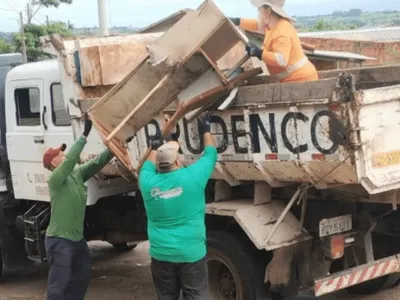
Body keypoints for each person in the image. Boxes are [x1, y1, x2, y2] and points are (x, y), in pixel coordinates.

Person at [138, 113, 217, 300]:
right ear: (177, 161)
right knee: (196, 295)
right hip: (191, 255)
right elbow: (211, 154)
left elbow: (146, 166)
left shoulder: (147, 183)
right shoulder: (192, 178)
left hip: (161, 255)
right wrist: (205, 129)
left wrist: (155, 146)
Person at [43, 117, 114, 300]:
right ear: (54, 163)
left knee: (82, 276)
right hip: (59, 241)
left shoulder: (76, 173)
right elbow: (70, 161)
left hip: (76, 239)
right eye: (59, 154)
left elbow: (97, 162)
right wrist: (84, 135)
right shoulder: (56, 180)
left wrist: (114, 147)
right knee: (59, 284)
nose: (63, 155)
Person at [230, 0, 318, 83]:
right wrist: (236, 21)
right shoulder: (273, 24)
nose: (258, 13)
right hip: (290, 78)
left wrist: (259, 53)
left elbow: (281, 60)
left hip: (301, 79)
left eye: (259, 10)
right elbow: (257, 24)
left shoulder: (281, 31)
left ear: (268, 10)